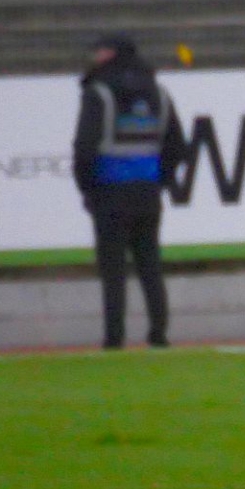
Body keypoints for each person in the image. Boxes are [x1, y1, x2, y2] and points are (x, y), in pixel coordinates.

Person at [72, 34, 188, 350]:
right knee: (150, 264)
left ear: (110, 54)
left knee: (113, 269)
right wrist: (160, 181)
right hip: (147, 192)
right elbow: (177, 146)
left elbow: (84, 148)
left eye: (99, 51)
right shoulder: (158, 92)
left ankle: (114, 337)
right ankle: (158, 333)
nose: (95, 57)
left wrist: (87, 189)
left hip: (109, 191)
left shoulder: (98, 92)